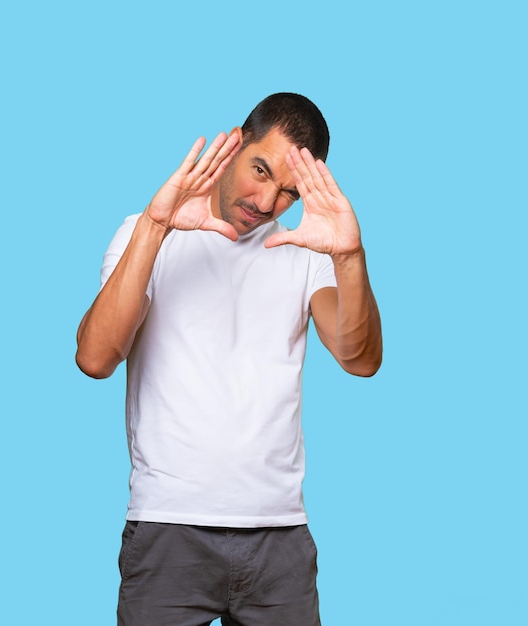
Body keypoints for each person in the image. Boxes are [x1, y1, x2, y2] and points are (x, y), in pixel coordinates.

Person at [76, 92, 382, 626]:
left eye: (288, 192)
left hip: (279, 538)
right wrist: (156, 226)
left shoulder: (307, 252)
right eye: (260, 170)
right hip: (168, 529)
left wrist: (349, 256)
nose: (265, 201)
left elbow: (361, 359)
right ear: (235, 144)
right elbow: (96, 358)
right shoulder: (142, 233)